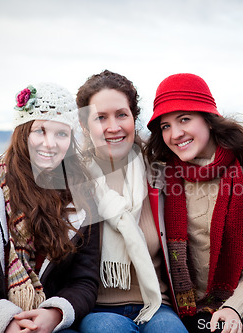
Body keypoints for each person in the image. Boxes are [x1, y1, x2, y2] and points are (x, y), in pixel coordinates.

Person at [145, 73, 243, 333]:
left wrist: (233, 308)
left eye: (184, 119)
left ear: (209, 120)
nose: (175, 134)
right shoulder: (160, 178)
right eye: (165, 126)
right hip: (188, 306)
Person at [0, 83, 100, 333]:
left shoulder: (82, 195)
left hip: (47, 314)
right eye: (40, 131)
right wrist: (4, 319)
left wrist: (55, 314)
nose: (50, 143)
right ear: (23, 132)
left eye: (61, 134)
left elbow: (85, 279)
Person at [75, 70, 187, 333]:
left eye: (121, 115)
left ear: (134, 118)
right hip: (94, 309)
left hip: (157, 304)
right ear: (84, 125)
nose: (113, 127)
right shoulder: (74, 179)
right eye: (101, 118)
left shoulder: (159, 173)